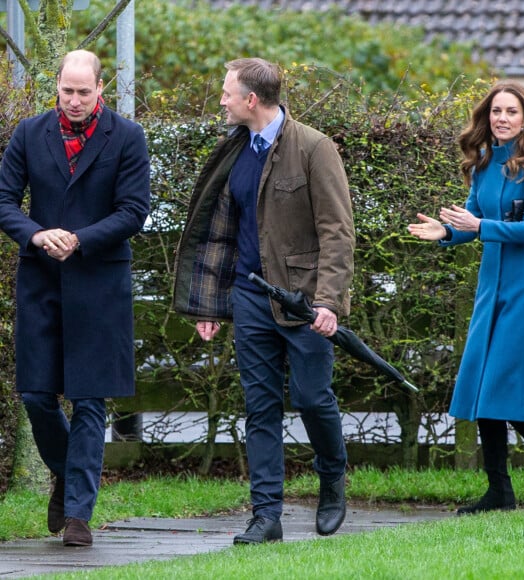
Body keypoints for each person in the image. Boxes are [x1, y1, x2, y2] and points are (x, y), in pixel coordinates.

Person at [173, 58, 355, 543]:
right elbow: (218, 233)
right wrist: (210, 305)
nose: (222, 101)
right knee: (260, 407)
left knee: (314, 400)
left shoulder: (315, 148)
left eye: (227, 93)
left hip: (303, 301)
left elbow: (338, 232)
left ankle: (332, 479)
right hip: (250, 297)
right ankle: (266, 516)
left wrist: (329, 303)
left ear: (251, 100)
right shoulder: (232, 151)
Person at [0, 50, 150, 546]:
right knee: (37, 396)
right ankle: (66, 474)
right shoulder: (28, 133)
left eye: (85, 92)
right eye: (68, 90)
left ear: (101, 89)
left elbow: (133, 211)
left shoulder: (127, 137)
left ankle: (80, 513)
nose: (75, 100)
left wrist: (79, 239)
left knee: (89, 398)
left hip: (99, 282)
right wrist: (39, 235)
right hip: (40, 280)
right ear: (58, 87)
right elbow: (4, 201)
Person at [408, 80, 524, 514]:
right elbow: (473, 220)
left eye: (511, 112)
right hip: (490, 289)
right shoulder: (483, 164)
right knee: (484, 385)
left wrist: (478, 227)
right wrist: (445, 231)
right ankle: (502, 489)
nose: (502, 118)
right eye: (496, 111)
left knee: (502, 384)